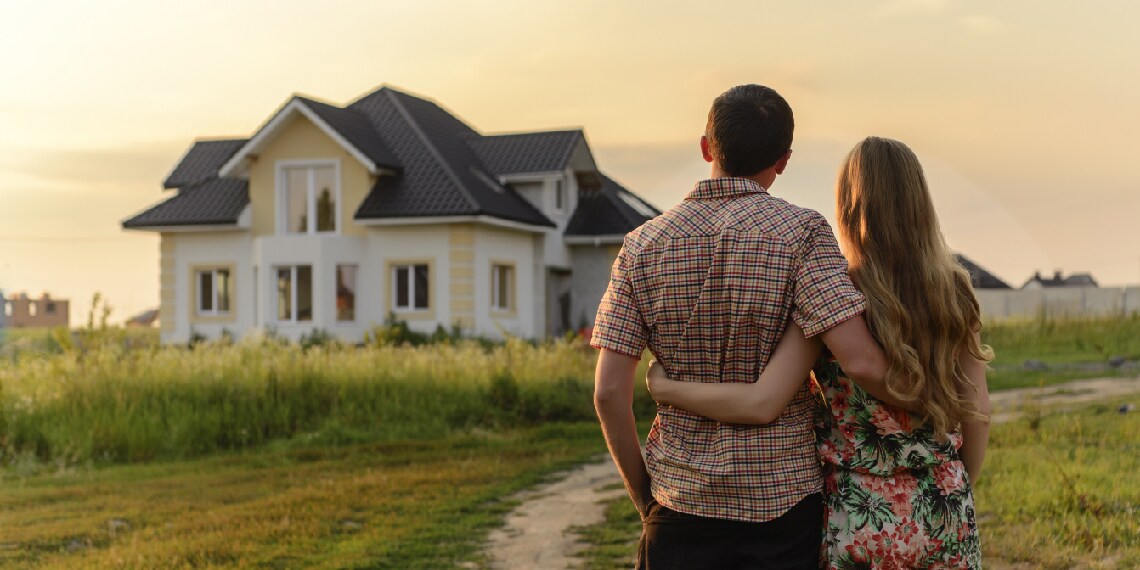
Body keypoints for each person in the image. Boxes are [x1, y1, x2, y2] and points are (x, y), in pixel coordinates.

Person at [592, 85, 914, 570]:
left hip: (680, 503)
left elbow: (608, 393)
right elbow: (864, 363)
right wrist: (941, 399)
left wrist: (647, 502)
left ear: (706, 147)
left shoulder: (641, 246)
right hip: (783, 507)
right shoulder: (804, 234)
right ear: (783, 160)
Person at [647, 136, 993, 569]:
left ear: (848, 206)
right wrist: (959, 485)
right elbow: (978, 412)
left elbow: (761, 400)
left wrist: (666, 386)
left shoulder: (831, 294)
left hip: (860, 514)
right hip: (944, 503)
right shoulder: (954, 291)